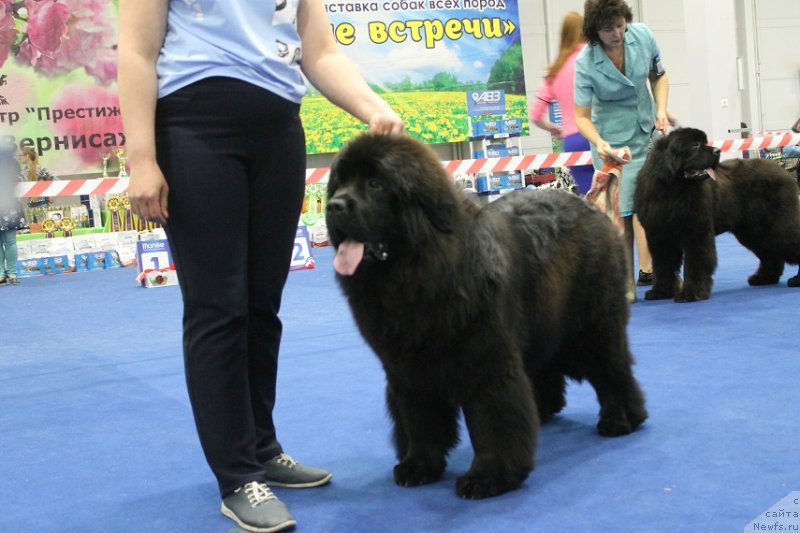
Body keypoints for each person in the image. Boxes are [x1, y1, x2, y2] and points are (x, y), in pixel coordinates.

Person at [117, 1, 404, 532]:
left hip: (278, 128)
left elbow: (320, 52)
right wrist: (142, 158)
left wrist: (373, 108)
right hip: (195, 125)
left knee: (262, 306)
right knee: (218, 309)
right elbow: (136, 51)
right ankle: (237, 476)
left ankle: (262, 449)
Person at [574, 0, 667, 299]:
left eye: (619, 24)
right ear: (594, 32)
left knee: (654, 210)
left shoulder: (644, 36)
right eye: (607, 29)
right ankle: (625, 285)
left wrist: (661, 109)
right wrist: (599, 142)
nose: (616, 33)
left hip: (646, 135)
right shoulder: (586, 63)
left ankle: (663, 275)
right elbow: (581, 117)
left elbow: (658, 75)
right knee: (622, 216)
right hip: (611, 146)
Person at [529, 11, 594, 194]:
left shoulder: (555, 71)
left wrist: (554, 129)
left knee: (590, 197)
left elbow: (535, 115)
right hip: (599, 135)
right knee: (616, 196)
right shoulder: (595, 60)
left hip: (573, 141)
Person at [0, 139, 24, 286]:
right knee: (5, 242)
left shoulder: (14, 164)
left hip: (9, 206)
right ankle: (3, 273)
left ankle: (11, 272)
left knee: (10, 242)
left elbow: (20, 179)